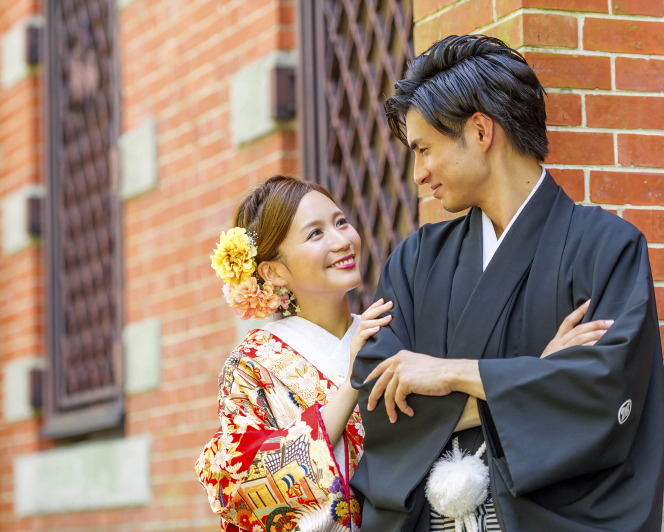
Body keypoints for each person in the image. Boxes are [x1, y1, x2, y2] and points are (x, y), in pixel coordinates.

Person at [349, 35, 664, 532]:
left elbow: (603, 393)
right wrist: (535, 377)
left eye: (425, 149)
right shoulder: (415, 260)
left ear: (479, 131)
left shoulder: (607, 248)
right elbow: (379, 392)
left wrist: (451, 374)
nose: (418, 174)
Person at [195, 175, 391, 531]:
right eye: (315, 233)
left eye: (341, 222)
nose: (342, 241)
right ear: (273, 271)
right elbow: (245, 483)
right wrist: (352, 382)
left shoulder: (386, 328)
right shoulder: (252, 364)